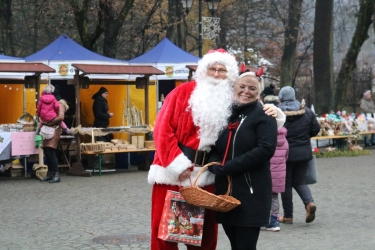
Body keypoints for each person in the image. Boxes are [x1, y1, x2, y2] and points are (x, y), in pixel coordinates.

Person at [148, 48, 285, 250]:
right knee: (166, 234)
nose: (216, 74)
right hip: (173, 172)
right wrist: (177, 164)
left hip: (208, 175)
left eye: (222, 70)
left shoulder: (231, 99)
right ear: (204, 70)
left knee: (203, 235)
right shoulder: (182, 92)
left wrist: (276, 112)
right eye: (213, 68)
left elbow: (254, 115)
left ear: (229, 74)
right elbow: (162, 129)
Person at [207, 71, 278, 250]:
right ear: (235, 88)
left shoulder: (264, 115)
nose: (246, 91)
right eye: (242, 86)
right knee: (235, 244)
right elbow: (214, 145)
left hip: (252, 193)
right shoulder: (226, 114)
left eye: (252, 88)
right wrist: (215, 165)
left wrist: (229, 167)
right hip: (226, 191)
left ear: (259, 92)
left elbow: (265, 149)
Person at [277, 86, 320, 224]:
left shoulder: (278, 113)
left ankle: (288, 216)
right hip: (304, 153)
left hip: (285, 154)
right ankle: (309, 203)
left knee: (286, 184)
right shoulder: (307, 112)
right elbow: (315, 129)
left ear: (281, 97)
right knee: (300, 181)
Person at [39, 87, 68, 183]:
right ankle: (50, 173)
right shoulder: (51, 103)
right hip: (47, 129)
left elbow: (60, 117)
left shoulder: (60, 104)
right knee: (47, 152)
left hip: (54, 129)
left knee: (51, 152)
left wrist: (48, 122)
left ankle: (56, 175)